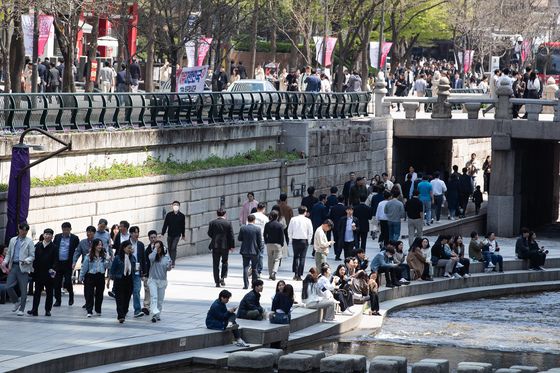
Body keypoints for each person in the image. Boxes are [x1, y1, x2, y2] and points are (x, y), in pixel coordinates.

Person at [28, 229, 57, 317]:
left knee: (49, 293)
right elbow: (33, 258)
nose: (48, 236)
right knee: (37, 292)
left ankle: (47, 310)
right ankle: (34, 310)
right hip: (38, 273)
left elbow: (56, 261)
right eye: (46, 234)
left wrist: (52, 270)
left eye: (50, 234)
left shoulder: (54, 247)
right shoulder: (38, 245)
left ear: (52, 236)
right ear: (43, 235)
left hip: (49, 274)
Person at [80, 238, 109, 317]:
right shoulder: (89, 256)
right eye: (98, 245)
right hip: (90, 276)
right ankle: (89, 310)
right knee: (89, 294)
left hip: (100, 276)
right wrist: (81, 276)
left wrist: (107, 260)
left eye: (101, 245)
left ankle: (98, 309)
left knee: (100, 294)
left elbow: (107, 266)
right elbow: (84, 267)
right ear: (94, 246)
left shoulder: (104, 256)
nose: (100, 246)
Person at [53, 222, 80, 307]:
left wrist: (74, 261)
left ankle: (71, 295)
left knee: (68, 282)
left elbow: (77, 251)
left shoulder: (75, 238)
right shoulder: (57, 237)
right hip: (58, 263)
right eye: (64, 230)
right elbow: (54, 248)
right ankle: (58, 300)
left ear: (70, 229)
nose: (65, 231)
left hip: (68, 264)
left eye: (67, 230)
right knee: (57, 282)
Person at [208, 208, 235, 287]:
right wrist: (232, 246)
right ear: (224, 214)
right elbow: (231, 236)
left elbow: (210, 233)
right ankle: (223, 277)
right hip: (225, 246)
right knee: (225, 262)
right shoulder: (228, 223)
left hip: (215, 245)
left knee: (215, 264)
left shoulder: (212, 223)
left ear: (217, 214)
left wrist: (215, 237)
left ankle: (217, 281)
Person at [111, 241, 136, 323]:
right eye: (128, 248)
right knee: (119, 299)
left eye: (131, 248)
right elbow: (112, 270)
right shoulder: (117, 258)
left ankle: (124, 312)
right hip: (119, 280)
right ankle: (121, 316)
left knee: (127, 299)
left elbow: (135, 268)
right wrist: (112, 278)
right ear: (123, 248)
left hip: (129, 280)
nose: (130, 249)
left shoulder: (132, 258)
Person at [148, 240, 172, 322]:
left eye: (159, 247)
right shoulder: (153, 256)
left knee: (160, 299)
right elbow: (150, 258)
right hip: (153, 280)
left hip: (162, 281)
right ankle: (154, 314)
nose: (158, 249)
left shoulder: (166, 257)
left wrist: (169, 265)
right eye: (156, 247)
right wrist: (155, 249)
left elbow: (168, 269)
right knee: (154, 297)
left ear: (162, 248)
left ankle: (158, 314)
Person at [288, 206, 314, 281]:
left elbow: (290, 230)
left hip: (295, 240)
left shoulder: (293, 219)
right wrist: (309, 240)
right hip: (304, 240)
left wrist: (290, 239)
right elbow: (310, 232)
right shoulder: (308, 220)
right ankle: (299, 275)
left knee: (296, 257)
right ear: (305, 212)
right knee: (302, 258)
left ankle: (295, 273)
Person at [238, 215, 263, 289]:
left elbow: (239, 238)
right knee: (254, 268)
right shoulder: (257, 229)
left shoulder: (243, 228)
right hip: (254, 251)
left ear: (247, 220)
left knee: (245, 267)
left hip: (245, 250)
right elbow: (259, 241)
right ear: (254, 220)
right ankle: (254, 285)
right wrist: (260, 249)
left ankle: (246, 285)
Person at [129, 226, 146, 318]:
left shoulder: (140, 245)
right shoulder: (126, 243)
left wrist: (144, 272)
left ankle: (137, 310)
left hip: (137, 271)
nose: (136, 234)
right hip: (127, 271)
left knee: (136, 290)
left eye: (137, 232)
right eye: (134, 232)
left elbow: (143, 259)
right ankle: (123, 309)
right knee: (126, 292)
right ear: (130, 233)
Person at [162, 200, 186, 267]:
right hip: (170, 234)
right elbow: (165, 225)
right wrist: (162, 233)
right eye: (174, 205)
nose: (176, 206)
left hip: (177, 235)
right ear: (172, 206)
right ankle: (169, 260)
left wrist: (183, 235)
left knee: (173, 247)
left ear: (179, 206)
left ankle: (173, 262)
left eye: (177, 205)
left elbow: (183, 226)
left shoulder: (182, 216)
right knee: (169, 248)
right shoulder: (169, 215)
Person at [264, 210, 285, 281]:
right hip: (277, 244)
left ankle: (270, 274)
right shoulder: (280, 225)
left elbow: (264, 234)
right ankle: (274, 272)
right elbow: (282, 236)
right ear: (277, 217)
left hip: (269, 244)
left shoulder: (267, 224)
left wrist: (266, 241)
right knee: (277, 259)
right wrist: (282, 244)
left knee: (270, 259)